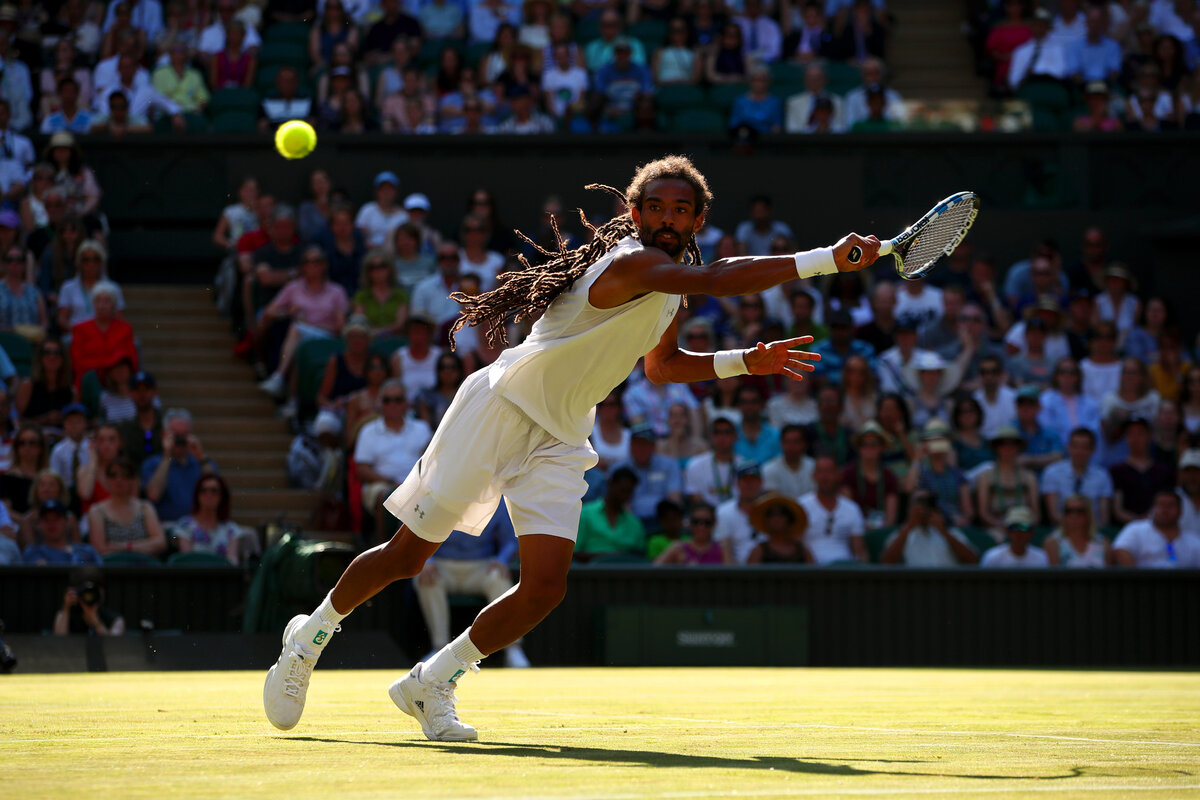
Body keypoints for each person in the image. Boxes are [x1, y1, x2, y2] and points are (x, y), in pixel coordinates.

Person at [262, 155, 881, 740]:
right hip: (499, 408)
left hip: (561, 436)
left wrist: (745, 359)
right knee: (408, 557)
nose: (668, 218)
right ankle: (306, 639)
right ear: (635, 214)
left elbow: (662, 368)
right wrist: (826, 258)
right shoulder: (630, 262)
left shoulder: (669, 291)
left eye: (681, 210)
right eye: (657, 207)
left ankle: (432, 683)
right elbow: (718, 278)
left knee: (545, 586)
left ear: (697, 219)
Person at [414, 504, 530, 668]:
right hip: (441, 566)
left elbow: (510, 540)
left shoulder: (499, 503)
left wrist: (502, 560)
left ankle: (513, 649)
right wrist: (427, 560)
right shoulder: (440, 495)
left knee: (499, 577)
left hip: (481, 566)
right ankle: (438, 649)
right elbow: (417, 530)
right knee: (425, 578)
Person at [353, 378, 432, 544]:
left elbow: (432, 461)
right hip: (382, 484)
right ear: (380, 403)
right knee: (386, 494)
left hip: (417, 484)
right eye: (387, 400)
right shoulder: (369, 431)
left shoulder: (421, 428)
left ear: (406, 403)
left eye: (398, 399)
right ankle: (384, 547)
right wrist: (389, 482)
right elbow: (361, 469)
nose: (393, 404)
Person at [141, 409, 218, 524]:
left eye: (184, 435)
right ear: (164, 435)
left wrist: (200, 456)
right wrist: (168, 457)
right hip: (169, 530)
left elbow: (217, 491)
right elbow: (153, 495)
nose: (180, 440)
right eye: (176, 435)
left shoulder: (202, 462)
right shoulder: (152, 464)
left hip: (198, 528)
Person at [87, 458, 167, 558]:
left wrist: (126, 547)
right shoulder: (97, 511)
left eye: (125, 475)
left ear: (132, 480)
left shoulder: (145, 507)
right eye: (113, 475)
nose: (119, 479)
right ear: (106, 480)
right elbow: (100, 549)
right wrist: (143, 547)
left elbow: (160, 543)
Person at [880, 489, 977, 567]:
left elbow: (973, 562)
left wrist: (944, 532)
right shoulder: (901, 534)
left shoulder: (952, 532)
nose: (924, 506)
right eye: (920, 501)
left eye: (928, 502)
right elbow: (886, 564)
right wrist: (909, 526)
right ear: (910, 508)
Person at [69, 282, 137, 393]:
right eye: (98, 301)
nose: (102, 305)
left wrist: (103, 365)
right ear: (93, 304)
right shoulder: (80, 329)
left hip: (117, 381)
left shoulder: (125, 328)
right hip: (89, 381)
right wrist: (110, 363)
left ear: (114, 305)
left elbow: (131, 361)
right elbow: (78, 363)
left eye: (106, 301)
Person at [799, 454, 867, 564]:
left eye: (829, 472)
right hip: (811, 570)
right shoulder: (800, 506)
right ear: (813, 476)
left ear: (838, 475)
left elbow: (859, 550)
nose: (824, 477)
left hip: (845, 569)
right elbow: (794, 544)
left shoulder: (852, 509)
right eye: (820, 472)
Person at [1040, 427, 1113, 527]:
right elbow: (1054, 515)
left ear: (1093, 450)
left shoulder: (1102, 476)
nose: (1079, 451)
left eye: (1084, 447)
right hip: (1061, 531)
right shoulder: (1052, 473)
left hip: (1092, 532)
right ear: (1068, 447)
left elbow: (1103, 518)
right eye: (1075, 446)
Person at [977, 425, 1041, 534]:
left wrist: (1023, 527)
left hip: (1024, 530)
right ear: (997, 447)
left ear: (1018, 448)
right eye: (1003, 444)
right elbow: (983, 513)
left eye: (1012, 444)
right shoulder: (985, 477)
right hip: (996, 529)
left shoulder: (1029, 477)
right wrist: (999, 525)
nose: (1008, 449)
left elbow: (1036, 514)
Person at [1112, 490, 1200, 567]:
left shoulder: (1192, 540)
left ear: (1180, 511)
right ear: (1153, 508)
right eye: (1160, 505)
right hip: (1144, 583)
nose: (1165, 510)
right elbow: (1120, 550)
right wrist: (1138, 580)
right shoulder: (1136, 529)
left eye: (1170, 505)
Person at [174, 474, 246, 565]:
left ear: (222, 496)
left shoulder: (232, 530)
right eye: (203, 490)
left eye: (214, 491)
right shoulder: (185, 525)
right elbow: (187, 559)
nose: (208, 494)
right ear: (197, 495)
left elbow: (232, 562)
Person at [713, 462, 766, 564]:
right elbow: (723, 548)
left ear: (761, 482)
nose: (749, 484)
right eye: (745, 480)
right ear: (737, 483)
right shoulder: (724, 512)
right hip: (736, 573)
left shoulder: (772, 510)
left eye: (753, 480)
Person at [684, 416, 741, 507]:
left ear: (736, 436)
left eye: (727, 432)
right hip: (708, 518)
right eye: (716, 432)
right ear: (710, 436)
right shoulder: (695, 465)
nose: (722, 437)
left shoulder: (744, 465)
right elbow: (694, 497)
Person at [53, 567, 126, 635]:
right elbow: (59, 643)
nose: (89, 595)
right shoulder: (64, 615)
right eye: (85, 591)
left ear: (101, 591)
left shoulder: (116, 620)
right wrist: (66, 608)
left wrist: (96, 623)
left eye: (93, 590)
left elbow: (113, 646)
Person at [1044, 494, 1110, 568]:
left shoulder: (1103, 544)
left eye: (1080, 511)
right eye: (1069, 511)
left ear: (1089, 514)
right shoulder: (1053, 543)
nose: (1074, 515)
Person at [654, 501, 727, 565]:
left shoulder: (722, 548)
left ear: (714, 523)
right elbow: (653, 571)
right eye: (696, 522)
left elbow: (731, 576)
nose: (701, 527)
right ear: (690, 523)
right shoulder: (678, 547)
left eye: (707, 522)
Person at [980, 505, 1050, 568]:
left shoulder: (1041, 557)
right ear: (1007, 531)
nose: (1018, 532)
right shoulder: (992, 557)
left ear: (1032, 532)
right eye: (1014, 527)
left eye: (1024, 527)